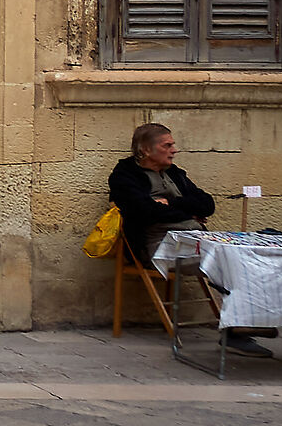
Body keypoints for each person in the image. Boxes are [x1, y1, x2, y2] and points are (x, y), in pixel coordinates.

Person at [109, 123, 267, 357]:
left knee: (243, 256)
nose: (174, 150)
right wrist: (187, 212)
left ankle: (243, 322)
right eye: (167, 145)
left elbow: (207, 204)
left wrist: (171, 204)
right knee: (227, 261)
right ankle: (236, 329)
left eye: (173, 145)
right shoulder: (124, 176)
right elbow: (145, 212)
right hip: (159, 245)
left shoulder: (174, 173)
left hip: (195, 238)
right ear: (145, 150)